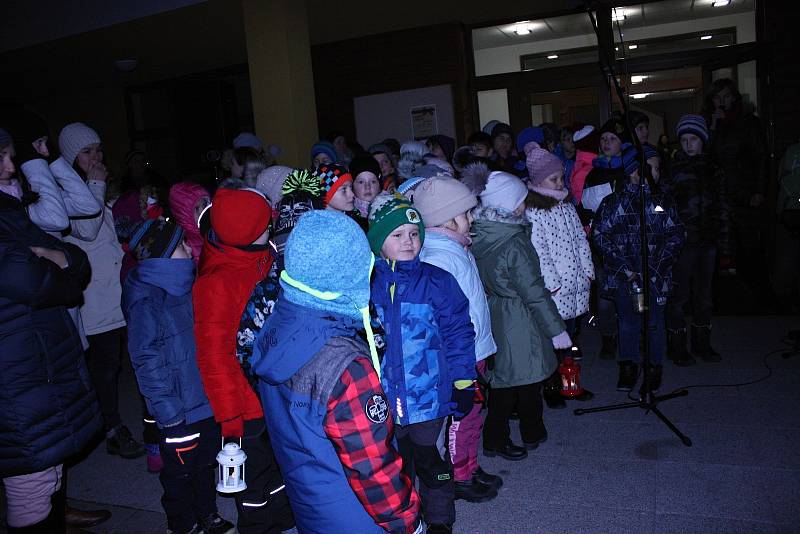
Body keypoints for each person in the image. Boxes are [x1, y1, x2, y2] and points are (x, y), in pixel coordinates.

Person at [252, 210, 422, 534]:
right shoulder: (347, 369)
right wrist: (408, 522)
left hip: (311, 504)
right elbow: (373, 466)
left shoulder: (277, 326)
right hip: (358, 518)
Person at [0, 128, 103, 532]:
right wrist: (46, 162)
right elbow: (33, 279)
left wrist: (54, 258)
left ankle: (60, 512)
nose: (11, 169)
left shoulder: (9, 210)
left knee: (47, 468)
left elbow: (76, 262)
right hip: (17, 367)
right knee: (30, 477)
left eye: (13, 157)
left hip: (35, 356)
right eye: (4, 158)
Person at [368, 193, 476, 533]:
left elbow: (459, 332)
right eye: (397, 235)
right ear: (378, 242)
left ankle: (440, 519)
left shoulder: (438, 281)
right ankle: (403, 514)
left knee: (433, 461)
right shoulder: (368, 286)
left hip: (430, 397)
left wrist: (463, 381)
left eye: (414, 233)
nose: (408, 241)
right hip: (384, 398)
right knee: (396, 463)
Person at [122, 218, 235, 534]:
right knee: (179, 473)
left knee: (204, 465)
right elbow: (145, 360)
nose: (190, 248)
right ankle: (182, 523)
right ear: (164, 254)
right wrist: (167, 411)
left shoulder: (187, 285)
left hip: (204, 399)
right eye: (182, 244)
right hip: (178, 410)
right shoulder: (148, 299)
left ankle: (207, 513)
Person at [193, 189, 294, 533]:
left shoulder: (262, 257)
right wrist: (229, 418)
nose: (273, 228)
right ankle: (257, 524)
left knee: (278, 461)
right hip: (243, 405)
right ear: (247, 232)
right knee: (253, 475)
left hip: (271, 390)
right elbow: (214, 358)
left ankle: (283, 515)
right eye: (267, 224)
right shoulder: (216, 283)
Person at [51, 122, 145, 459]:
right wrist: (96, 184)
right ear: (70, 157)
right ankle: (111, 429)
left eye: (98, 149)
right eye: (87, 151)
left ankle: (119, 424)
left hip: (115, 294)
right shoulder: (63, 193)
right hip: (93, 299)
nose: (96, 157)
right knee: (103, 370)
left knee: (118, 366)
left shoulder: (96, 189)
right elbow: (87, 231)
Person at [466, 167, 571, 462]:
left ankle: (515, 434)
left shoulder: (482, 234)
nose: (525, 205)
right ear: (510, 204)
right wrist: (556, 330)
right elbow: (533, 290)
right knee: (522, 383)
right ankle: (508, 436)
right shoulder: (514, 242)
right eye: (522, 200)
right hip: (519, 319)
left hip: (496, 313)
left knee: (506, 379)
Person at [414, 177, 502, 504]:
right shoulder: (439, 257)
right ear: (447, 219)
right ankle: (459, 476)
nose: (473, 218)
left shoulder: (455, 248)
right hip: (459, 355)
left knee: (473, 415)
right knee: (460, 420)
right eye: (467, 213)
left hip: (473, 348)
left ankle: (471, 466)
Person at [592, 145, 685, 393]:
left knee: (654, 322)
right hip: (626, 278)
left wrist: (654, 267)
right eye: (652, 167)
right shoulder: (613, 203)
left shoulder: (662, 201)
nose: (657, 172)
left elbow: (676, 234)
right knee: (628, 323)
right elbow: (601, 235)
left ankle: (654, 366)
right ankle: (628, 365)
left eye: (658, 168)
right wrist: (626, 269)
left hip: (656, 276)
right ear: (636, 171)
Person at [524, 144, 595, 407]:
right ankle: (552, 385)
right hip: (557, 290)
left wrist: (587, 271)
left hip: (575, 285)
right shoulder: (535, 211)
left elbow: (580, 240)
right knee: (554, 340)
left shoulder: (566, 206)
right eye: (553, 179)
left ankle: (572, 383)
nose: (559, 183)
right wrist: (552, 284)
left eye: (561, 177)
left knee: (572, 340)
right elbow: (538, 251)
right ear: (537, 180)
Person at [664, 115, 729, 365]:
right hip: (683, 242)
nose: (689, 144)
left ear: (703, 140)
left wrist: (724, 241)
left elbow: (723, 205)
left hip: (708, 240)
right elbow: (665, 206)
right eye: (684, 140)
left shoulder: (714, 169)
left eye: (693, 139)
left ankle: (703, 343)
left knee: (704, 295)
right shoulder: (674, 169)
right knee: (679, 295)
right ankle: (677, 345)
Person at [705, 78, 768, 289]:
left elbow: (761, 158)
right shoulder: (711, 123)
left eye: (726, 96)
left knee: (748, 245)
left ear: (735, 97)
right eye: (717, 98)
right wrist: (715, 127)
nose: (722, 102)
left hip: (744, 191)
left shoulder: (748, 122)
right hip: (720, 194)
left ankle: (757, 292)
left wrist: (758, 190)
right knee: (723, 246)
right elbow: (707, 157)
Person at [168, 182, 210, 264]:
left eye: (205, 205)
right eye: (197, 209)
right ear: (185, 217)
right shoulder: (187, 249)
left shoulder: (216, 230)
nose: (203, 211)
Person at [349, 153, 383, 221]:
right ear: (352, 186)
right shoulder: (348, 213)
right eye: (361, 182)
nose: (367, 187)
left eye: (373, 182)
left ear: (379, 184)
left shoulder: (390, 208)